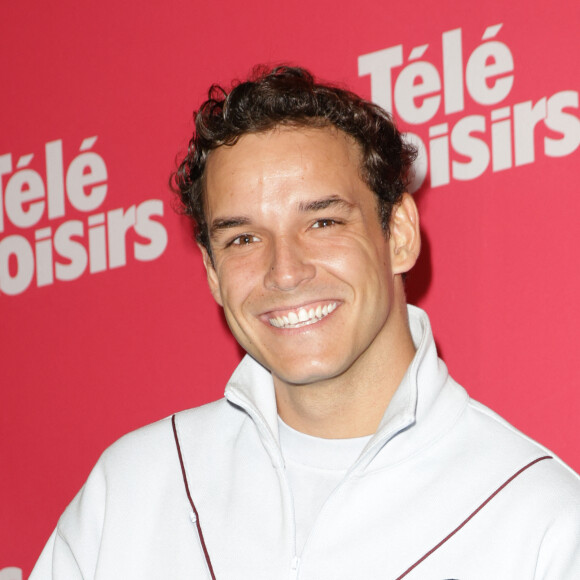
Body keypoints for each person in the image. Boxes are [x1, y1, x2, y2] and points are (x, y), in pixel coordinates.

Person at [31, 66, 580, 579]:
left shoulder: (540, 520)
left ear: (400, 234)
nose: (285, 272)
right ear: (213, 273)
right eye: (243, 238)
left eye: (322, 221)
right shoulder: (134, 487)